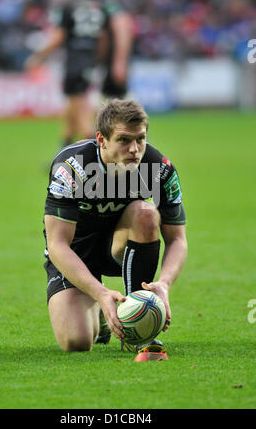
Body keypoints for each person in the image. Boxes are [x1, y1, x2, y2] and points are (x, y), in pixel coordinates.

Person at [43, 99, 188, 352]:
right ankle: (101, 307)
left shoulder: (159, 169)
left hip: (119, 249)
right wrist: (99, 293)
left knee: (145, 213)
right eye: (124, 140)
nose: (134, 149)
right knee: (76, 342)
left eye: (140, 139)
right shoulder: (71, 168)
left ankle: (135, 322)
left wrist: (164, 283)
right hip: (75, 255)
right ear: (101, 140)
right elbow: (57, 244)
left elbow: (177, 239)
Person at [25, 0, 110, 146]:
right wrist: (98, 59)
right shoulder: (96, 6)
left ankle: (93, 147)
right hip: (89, 59)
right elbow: (103, 37)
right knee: (74, 103)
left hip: (75, 59)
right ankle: (65, 147)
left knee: (79, 107)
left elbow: (58, 36)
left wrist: (38, 57)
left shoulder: (67, 6)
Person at [80, 0, 134, 100]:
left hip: (111, 59)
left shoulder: (108, 5)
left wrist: (119, 61)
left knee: (117, 100)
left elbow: (123, 31)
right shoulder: (88, 6)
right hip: (100, 61)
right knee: (105, 101)